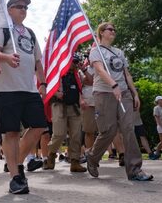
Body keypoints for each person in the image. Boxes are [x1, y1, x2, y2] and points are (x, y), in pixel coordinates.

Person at [0, 0, 47, 195]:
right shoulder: (2, 30)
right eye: (19, 6)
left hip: (29, 89)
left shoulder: (30, 33)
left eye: (26, 7)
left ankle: (17, 163)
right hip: (7, 90)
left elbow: (38, 60)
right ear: (9, 10)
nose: (23, 10)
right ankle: (15, 176)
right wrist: (6, 57)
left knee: (39, 126)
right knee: (11, 132)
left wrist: (43, 82)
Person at [86, 22, 153, 181]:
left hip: (124, 93)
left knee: (128, 128)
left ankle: (135, 169)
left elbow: (127, 74)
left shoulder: (119, 52)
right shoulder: (96, 51)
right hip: (104, 93)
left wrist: (134, 93)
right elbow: (100, 70)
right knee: (108, 130)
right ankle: (92, 157)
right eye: (110, 29)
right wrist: (113, 84)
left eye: (115, 29)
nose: (113, 31)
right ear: (101, 32)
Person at [45, 54, 88, 172]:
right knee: (59, 133)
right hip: (59, 105)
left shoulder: (77, 74)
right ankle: (51, 154)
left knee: (76, 135)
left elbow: (88, 81)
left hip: (74, 106)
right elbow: (46, 86)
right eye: (73, 61)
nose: (75, 64)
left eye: (76, 61)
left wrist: (83, 68)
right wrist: (55, 93)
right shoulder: (56, 72)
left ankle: (75, 161)